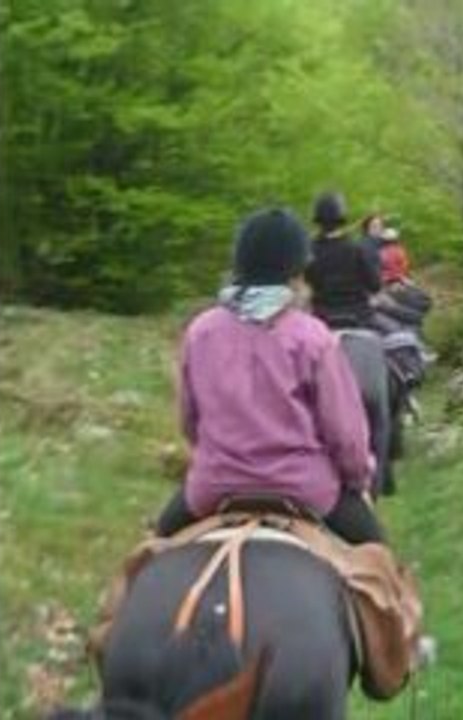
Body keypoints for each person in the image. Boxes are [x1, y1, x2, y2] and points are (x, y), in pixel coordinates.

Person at [154, 207, 386, 545]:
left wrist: (221, 460)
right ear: (296, 269)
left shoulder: (201, 331)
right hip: (305, 490)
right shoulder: (312, 337)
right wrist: (358, 478)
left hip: (214, 487)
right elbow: (345, 435)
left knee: (151, 552)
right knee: (379, 558)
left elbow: (189, 422)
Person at [304, 192, 383, 331]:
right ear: (341, 218)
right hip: (360, 317)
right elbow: (375, 285)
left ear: (318, 220)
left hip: (322, 319)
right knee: (400, 334)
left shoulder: (309, 250)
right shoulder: (356, 249)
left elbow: (308, 282)